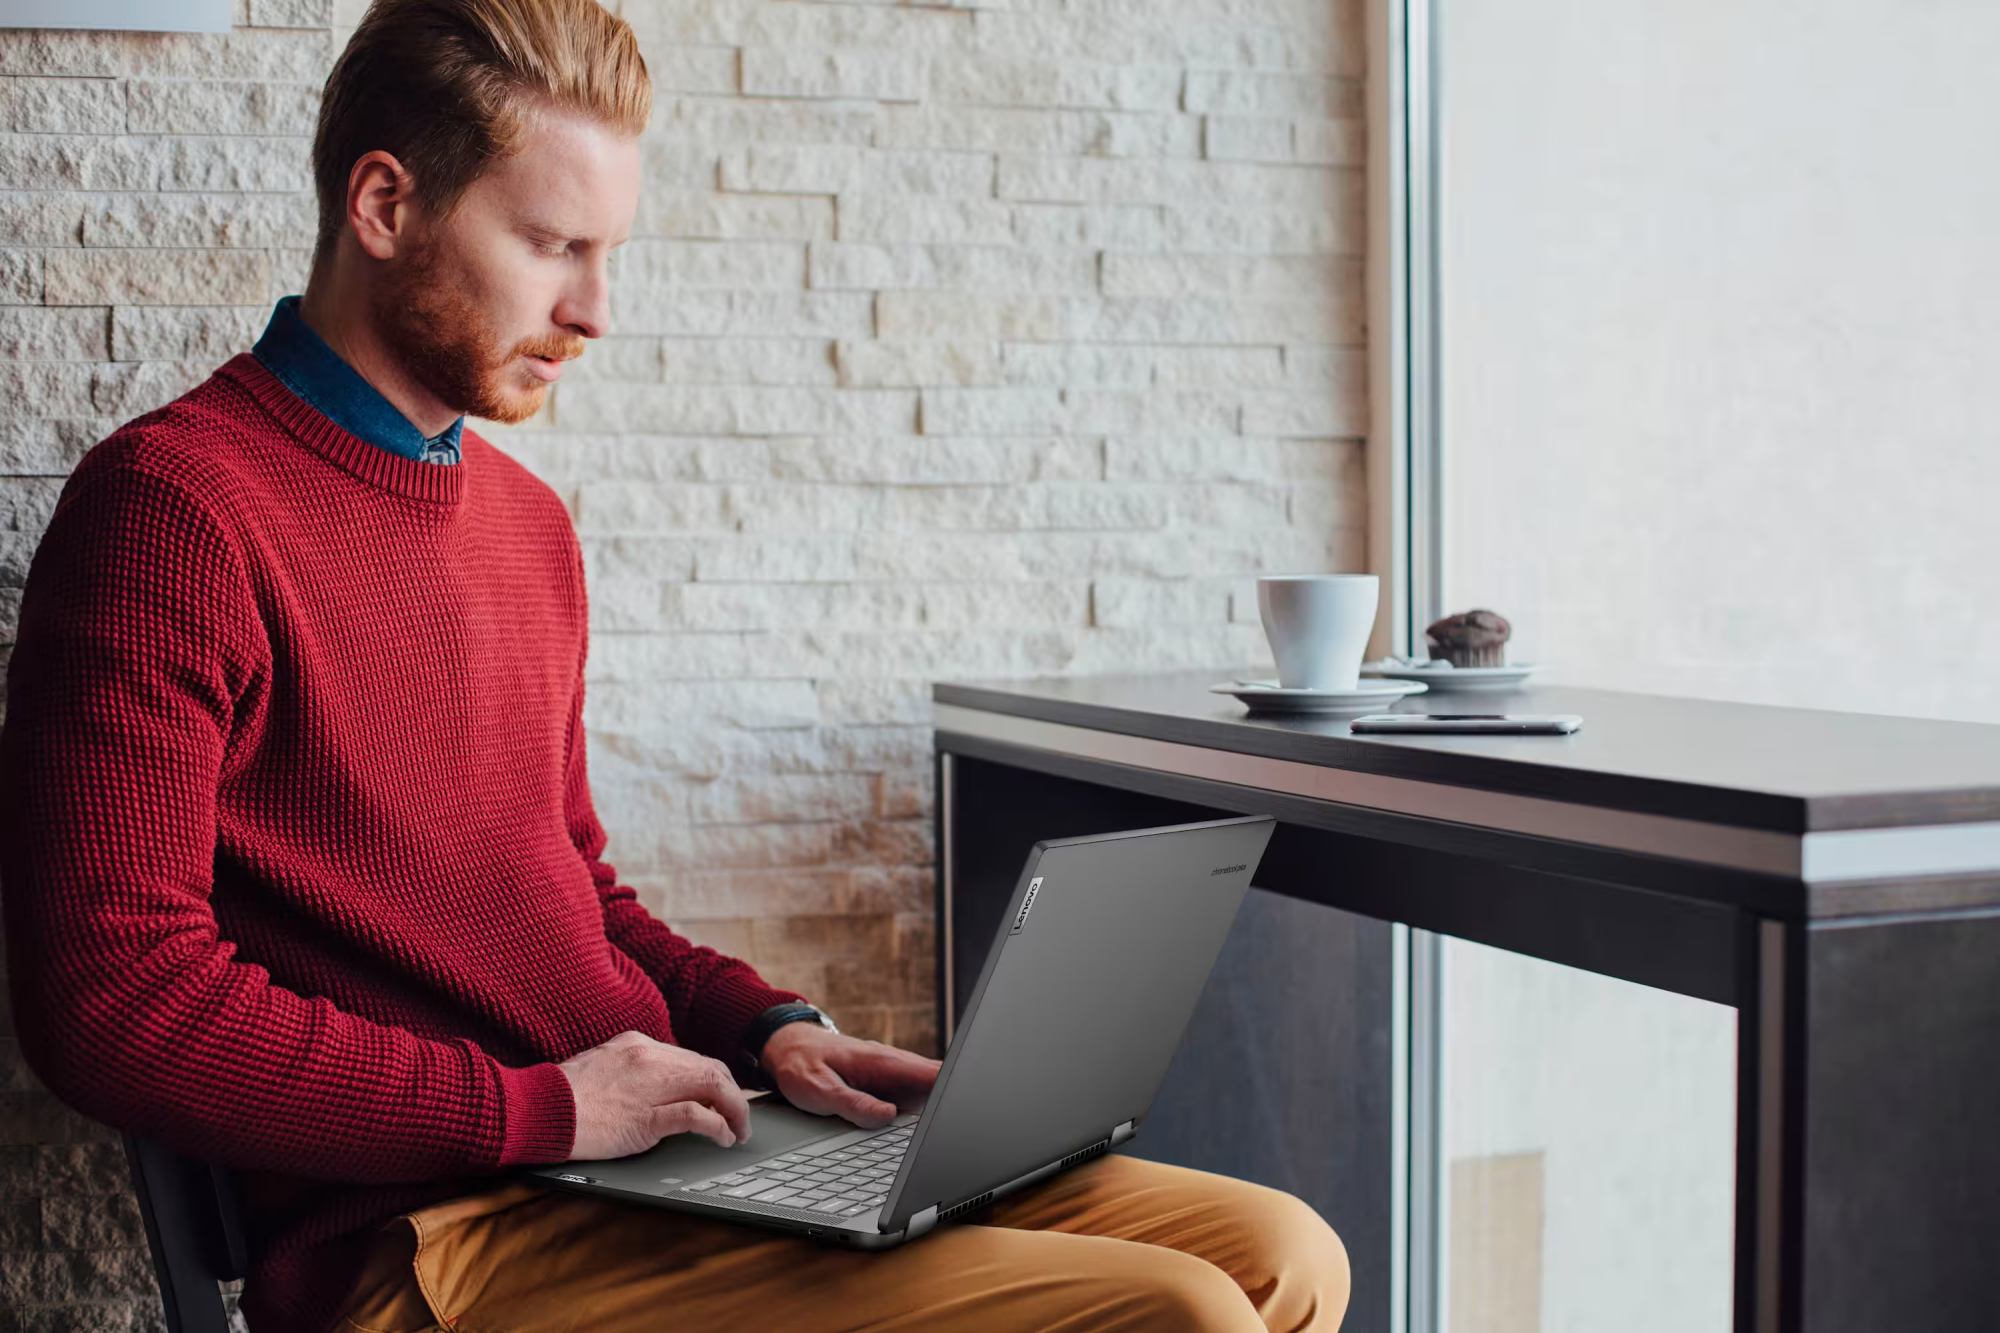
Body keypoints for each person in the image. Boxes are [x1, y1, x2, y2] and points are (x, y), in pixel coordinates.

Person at [0, 1, 1351, 1329]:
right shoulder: (175, 514)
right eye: (552, 245)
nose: (595, 311)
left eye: (609, 253)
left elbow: (572, 890)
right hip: (440, 1237)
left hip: (647, 1162)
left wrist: (769, 1031)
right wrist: (542, 1109)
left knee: (1284, 1252)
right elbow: (114, 1001)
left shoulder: (525, 527)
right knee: (1181, 1311)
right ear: (385, 205)